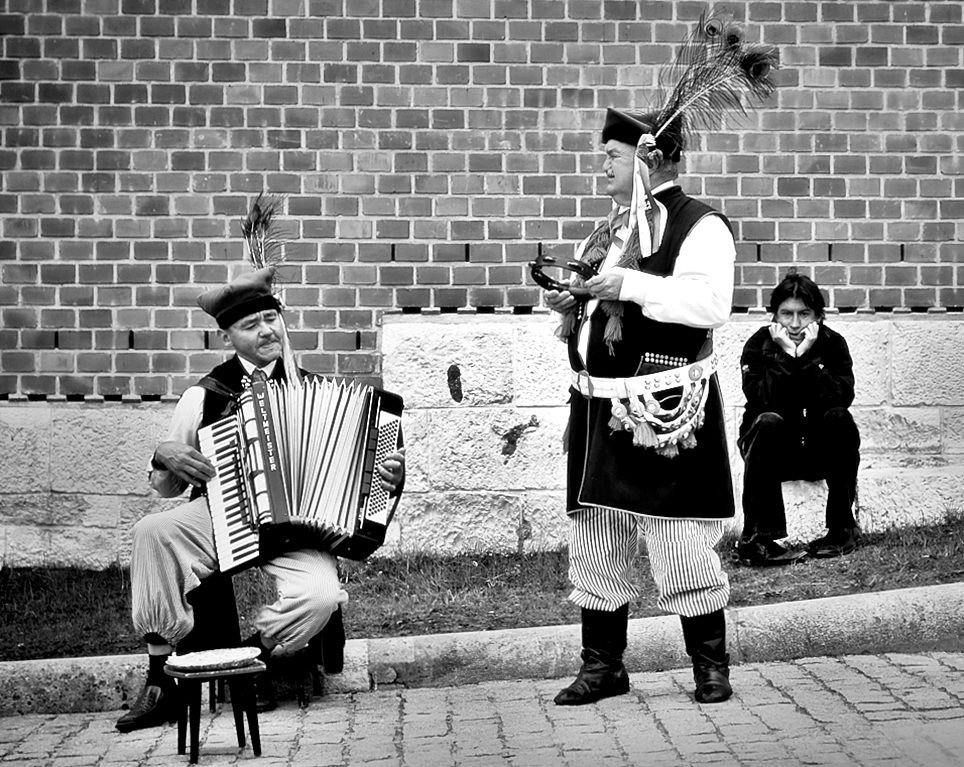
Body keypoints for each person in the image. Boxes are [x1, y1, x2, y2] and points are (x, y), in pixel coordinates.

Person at [115, 268, 405, 733]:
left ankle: (256, 657)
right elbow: (167, 486)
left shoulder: (316, 391)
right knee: (152, 530)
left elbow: (367, 475)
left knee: (321, 595)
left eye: (271, 318)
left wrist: (389, 476)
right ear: (226, 336)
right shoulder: (203, 395)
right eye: (251, 325)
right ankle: (160, 680)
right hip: (223, 511)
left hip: (298, 525)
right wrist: (162, 454)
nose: (266, 330)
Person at [542, 106, 737, 706]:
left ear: (651, 159)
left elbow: (709, 306)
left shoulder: (699, 226)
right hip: (599, 407)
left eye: (614, 155)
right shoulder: (612, 230)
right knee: (597, 538)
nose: (602, 163)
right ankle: (604, 668)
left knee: (679, 543)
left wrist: (626, 286)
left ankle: (709, 665)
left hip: (665, 404)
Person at [736, 272, 860, 566]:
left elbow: (842, 396)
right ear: (774, 315)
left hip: (819, 449)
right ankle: (757, 539)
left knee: (840, 418)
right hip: (771, 451)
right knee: (767, 420)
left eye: (804, 314)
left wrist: (805, 357)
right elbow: (760, 398)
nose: (794, 324)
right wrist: (785, 357)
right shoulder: (759, 345)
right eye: (786, 314)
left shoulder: (833, 344)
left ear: (818, 315)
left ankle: (842, 529)